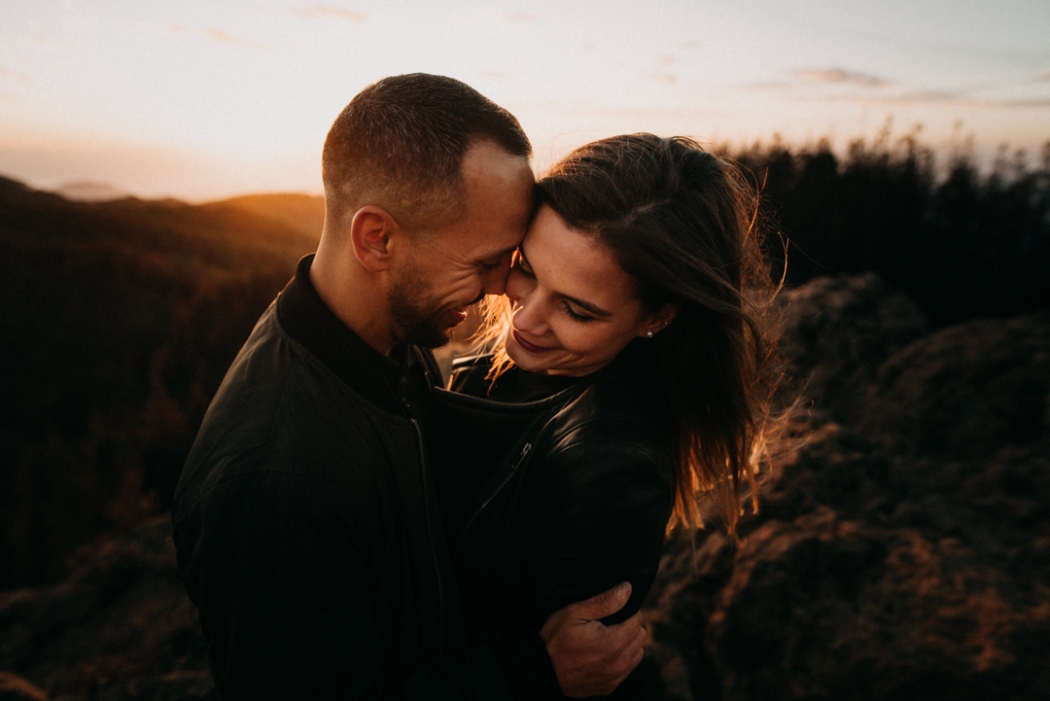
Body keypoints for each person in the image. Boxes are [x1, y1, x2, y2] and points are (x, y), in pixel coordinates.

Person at [171, 74, 646, 700]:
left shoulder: (386, 343)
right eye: (484, 262)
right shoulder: (275, 481)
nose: (504, 287)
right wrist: (530, 674)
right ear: (378, 239)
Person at [426, 133, 780, 699]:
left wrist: (529, 676)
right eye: (528, 271)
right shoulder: (514, 371)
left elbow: (577, 676)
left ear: (657, 319)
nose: (526, 321)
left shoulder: (611, 463)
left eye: (576, 310)